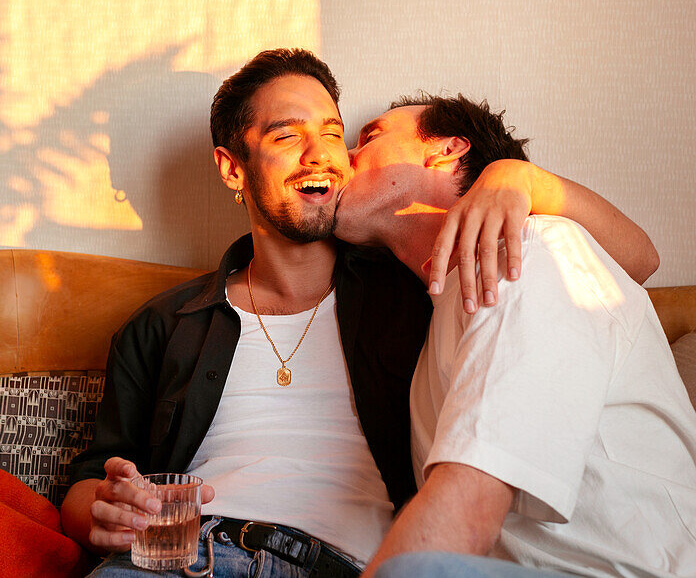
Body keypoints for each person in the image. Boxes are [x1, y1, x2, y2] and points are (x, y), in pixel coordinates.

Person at [61, 49, 659, 578]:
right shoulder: (162, 325)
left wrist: (514, 175)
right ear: (232, 168)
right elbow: (86, 484)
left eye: (335, 132)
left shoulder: (423, 289)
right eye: (286, 136)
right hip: (186, 560)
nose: (324, 154)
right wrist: (102, 512)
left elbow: (626, 261)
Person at [331, 93, 696, 577]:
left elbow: (464, 518)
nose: (344, 156)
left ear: (447, 150)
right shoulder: (434, 334)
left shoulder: (532, 251)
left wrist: (518, 175)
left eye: (370, 137)